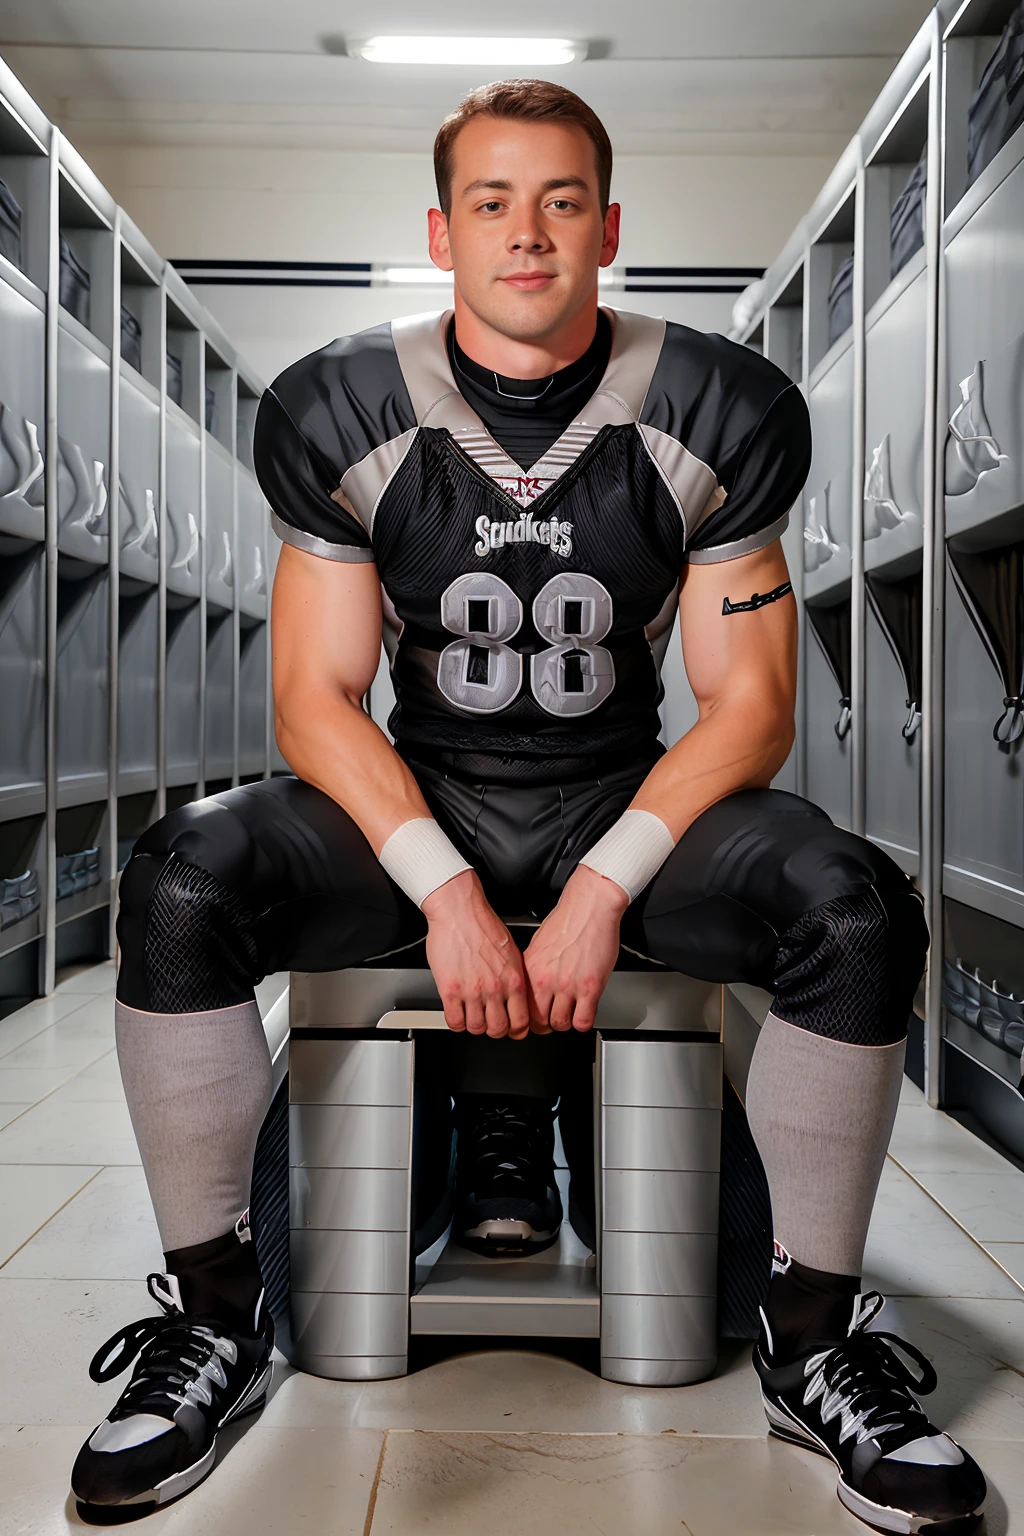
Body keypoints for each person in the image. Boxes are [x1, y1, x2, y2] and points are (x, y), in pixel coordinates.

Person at [70, 78, 986, 1533]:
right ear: (443, 230)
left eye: (562, 201)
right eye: (493, 202)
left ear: (608, 225)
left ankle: (810, 1337)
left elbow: (748, 706)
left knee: (857, 903)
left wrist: (608, 880)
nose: (529, 234)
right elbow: (316, 699)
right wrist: (440, 882)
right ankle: (218, 1311)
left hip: (621, 804)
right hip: (424, 801)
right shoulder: (344, 403)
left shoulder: (714, 403)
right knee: (182, 875)